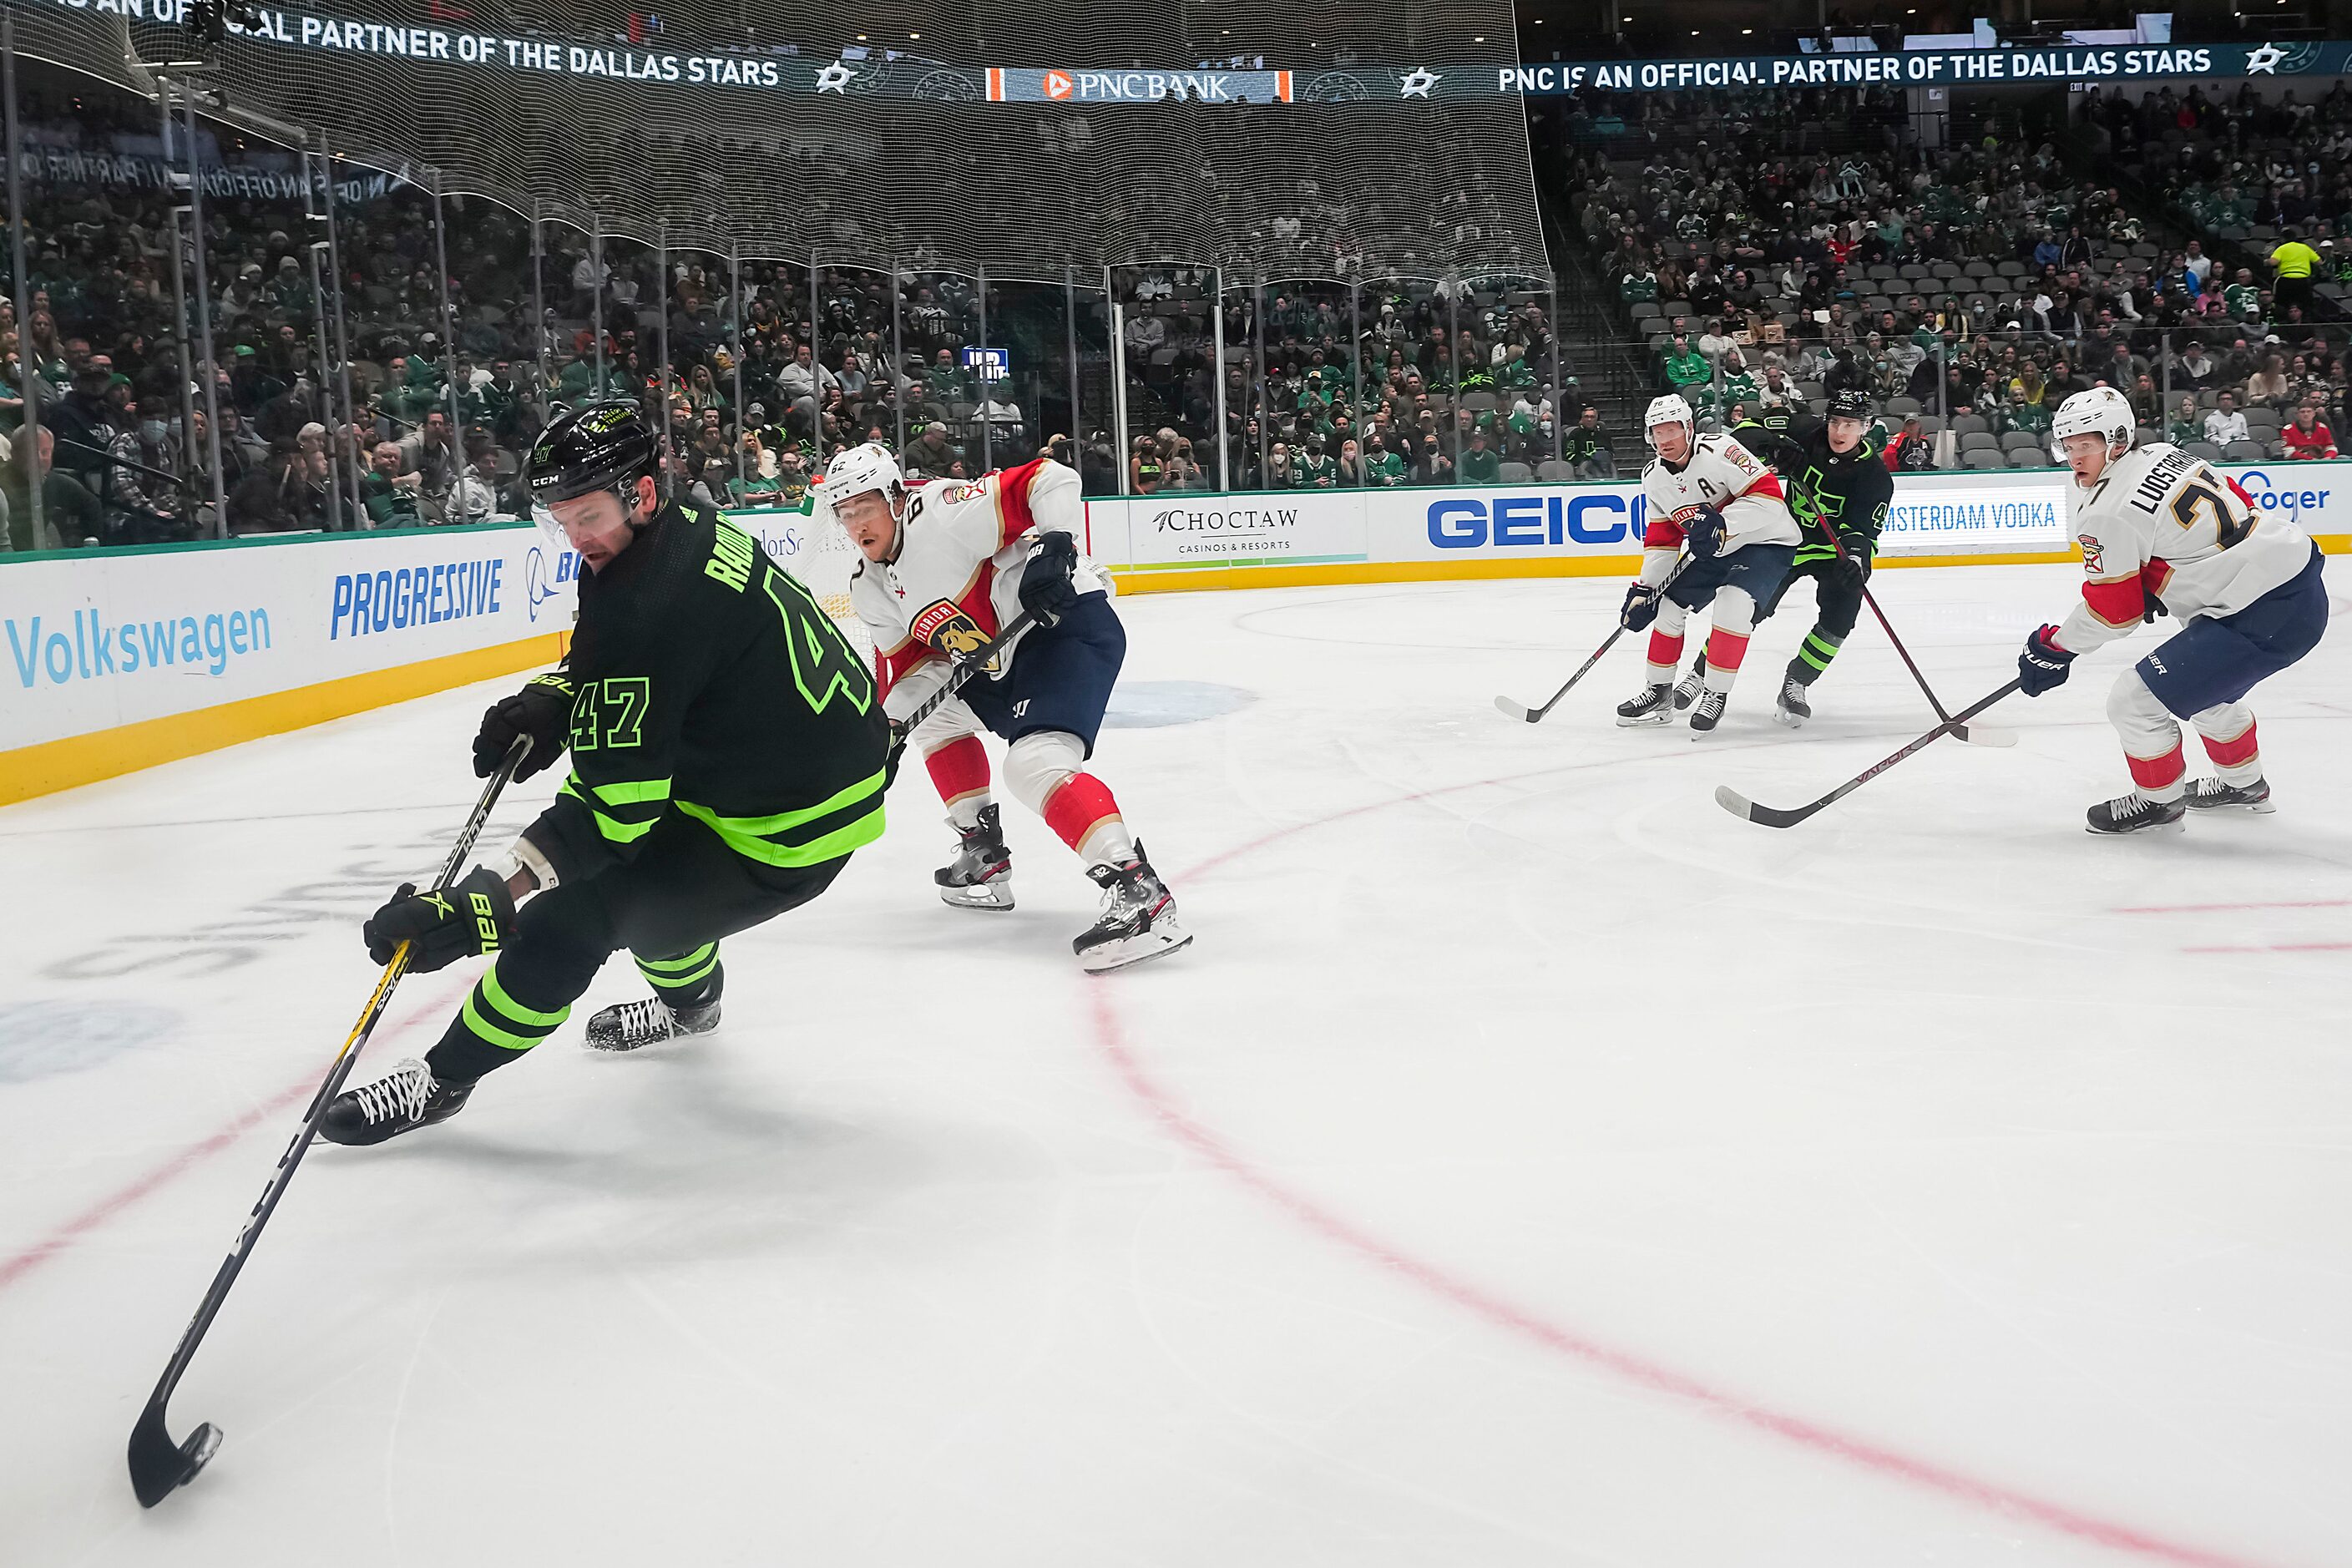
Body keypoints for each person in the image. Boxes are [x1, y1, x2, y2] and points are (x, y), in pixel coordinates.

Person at [321, 402, 891, 1143]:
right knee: (656, 894)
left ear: (640, 494)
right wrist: (558, 695)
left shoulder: (648, 604)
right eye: (560, 519)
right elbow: (654, 662)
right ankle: (691, 1007)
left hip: (783, 832)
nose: (574, 537)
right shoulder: (687, 525)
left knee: (572, 917)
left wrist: (484, 902)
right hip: (790, 773)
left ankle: (443, 1081)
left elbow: (609, 815)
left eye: (586, 515)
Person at [826, 441, 1191, 972]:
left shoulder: (945, 511)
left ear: (895, 497)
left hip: (1063, 626)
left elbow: (1051, 478)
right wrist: (888, 727)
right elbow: (918, 673)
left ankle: (1139, 890)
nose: (856, 523)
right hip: (998, 659)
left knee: (1034, 765)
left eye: (865, 506)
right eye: (845, 512)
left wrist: (1055, 546)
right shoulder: (871, 587)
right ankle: (983, 853)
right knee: (938, 722)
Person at [2016, 387, 2324, 834]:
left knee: (2134, 701)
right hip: (2292, 586)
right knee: (2202, 692)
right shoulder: (2164, 452)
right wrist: (2166, 576)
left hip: (2259, 613)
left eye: (2087, 444)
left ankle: (2158, 803)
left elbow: (2113, 612)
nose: (2075, 456)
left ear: (2117, 439)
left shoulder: (2105, 511)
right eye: (2068, 445)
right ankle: (2244, 784)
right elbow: (2237, 499)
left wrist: (2055, 647)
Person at [1616, 393, 1802, 733]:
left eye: (1671, 430)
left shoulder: (1721, 450)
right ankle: (1659, 691)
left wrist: (1722, 523)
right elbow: (1662, 540)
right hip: (1716, 548)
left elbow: (1770, 499)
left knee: (1733, 604)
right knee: (1668, 605)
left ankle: (1715, 692)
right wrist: (1646, 590)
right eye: (1657, 432)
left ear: (1688, 428)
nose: (1664, 440)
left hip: (1766, 541)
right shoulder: (1654, 477)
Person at [1712, 387, 1896, 724]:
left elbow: (1862, 531)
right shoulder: (1803, 429)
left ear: (1866, 427)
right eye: (1836, 422)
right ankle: (1703, 677)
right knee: (1745, 607)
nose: (1840, 432)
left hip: (1834, 552)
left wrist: (1856, 561)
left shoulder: (1875, 476)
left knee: (1841, 617)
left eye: (1850, 424)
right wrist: (1774, 444)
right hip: (1785, 537)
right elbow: (1740, 432)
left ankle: (1797, 681)